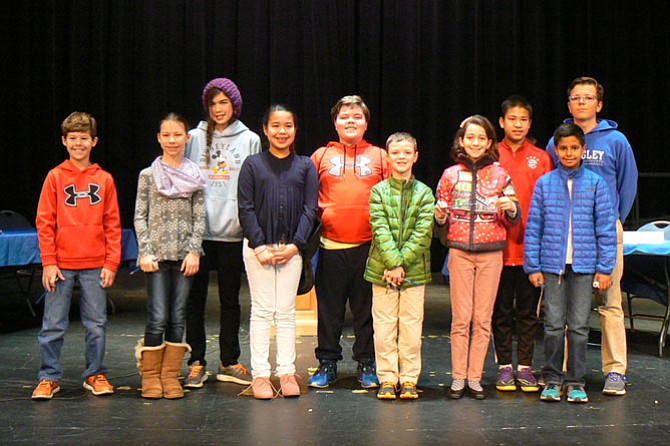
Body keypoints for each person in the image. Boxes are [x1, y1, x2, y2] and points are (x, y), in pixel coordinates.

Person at [546, 77, 638, 396]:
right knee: (571, 307)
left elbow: (627, 186)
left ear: (599, 104)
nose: (581, 102)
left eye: (588, 98)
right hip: (568, 233)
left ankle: (615, 370)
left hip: (604, 230)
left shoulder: (616, 141)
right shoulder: (558, 139)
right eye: (575, 97)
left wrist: (613, 221)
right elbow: (549, 179)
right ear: (568, 104)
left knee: (610, 302)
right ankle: (571, 372)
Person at [32, 111, 121, 399]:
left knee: (96, 323)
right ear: (64, 141)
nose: (78, 144)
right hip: (61, 265)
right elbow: (44, 221)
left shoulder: (104, 179)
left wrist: (111, 262)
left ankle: (95, 373)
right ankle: (49, 377)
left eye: (84, 138)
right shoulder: (55, 177)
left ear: (94, 141)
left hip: (95, 263)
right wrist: (48, 262)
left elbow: (113, 223)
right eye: (73, 138)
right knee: (53, 325)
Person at [525, 122, 617, 403]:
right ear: (555, 150)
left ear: (583, 149)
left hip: (584, 267)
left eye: (574, 148)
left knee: (578, 326)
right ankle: (552, 378)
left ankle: (576, 380)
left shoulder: (596, 184)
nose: (568, 153)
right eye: (563, 148)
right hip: (553, 266)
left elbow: (605, 229)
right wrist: (533, 266)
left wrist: (604, 268)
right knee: (552, 324)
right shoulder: (545, 183)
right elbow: (534, 227)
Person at [435, 115, 520, 400]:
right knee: (461, 319)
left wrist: (510, 208)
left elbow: (513, 217)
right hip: (459, 252)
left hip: (491, 254)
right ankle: (458, 377)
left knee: (483, 319)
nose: (475, 142)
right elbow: (440, 219)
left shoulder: (500, 174)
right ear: (461, 140)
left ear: (489, 142)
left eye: (481, 138)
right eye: (470, 137)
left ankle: (475, 378)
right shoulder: (450, 175)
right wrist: (440, 216)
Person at [183, 77, 261, 388]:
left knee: (230, 300)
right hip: (199, 234)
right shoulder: (192, 137)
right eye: (213, 103)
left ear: (234, 105)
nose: (218, 108)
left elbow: (253, 187)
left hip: (232, 231)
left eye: (223, 102)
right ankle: (196, 360)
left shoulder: (250, 139)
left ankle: (229, 360)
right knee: (195, 300)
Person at [307, 95, 390, 389]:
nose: (350, 121)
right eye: (344, 117)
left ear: (366, 123)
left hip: (369, 249)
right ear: (335, 122)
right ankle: (327, 364)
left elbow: (393, 199)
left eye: (357, 116)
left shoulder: (381, 156)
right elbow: (307, 201)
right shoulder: (320, 156)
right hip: (330, 248)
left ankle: (366, 363)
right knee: (329, 311)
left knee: (366, 311)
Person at [238, 104, 319, 399]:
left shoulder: (306, 166)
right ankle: (260, 374)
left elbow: (311, 209)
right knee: (261, 311)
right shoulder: (252, 165)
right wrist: (259, 245)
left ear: (295, 129)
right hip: (258, 250)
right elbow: (245, 208)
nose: (281, 131)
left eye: (287, 125)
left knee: (285, 313)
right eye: (276, 125)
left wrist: (296, 245)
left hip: (292, 249)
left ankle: (286, 371)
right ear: (265, 129)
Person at [133, 113, 206, 399]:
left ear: (187, 137)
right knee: (157, 317)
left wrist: (194, 251)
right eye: (167, 135)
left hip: (184, 257)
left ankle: (170, 376)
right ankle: (151, 377)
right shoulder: (148, 175)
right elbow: (140, 216)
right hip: (156, 257)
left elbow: (200, 217)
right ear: (159, 138)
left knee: (177, 317)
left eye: (178, 134)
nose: (172, 140)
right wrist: (145, 251)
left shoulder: (195, 175)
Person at [364, 132, 434, 400]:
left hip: (415, 273)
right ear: (388, 156)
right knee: (383, 327)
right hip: (382, 272)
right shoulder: (379, 191)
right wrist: (392, 263)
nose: (401, 157)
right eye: (396, 153)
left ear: (415, 156)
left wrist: (401, 263)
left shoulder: (425, 193)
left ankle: (408, 379)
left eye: (407, 152)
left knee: (411, 327)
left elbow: (423, 233)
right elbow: (379, 228)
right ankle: (387, 378)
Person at [492, 96, 553, 393]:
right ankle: (504, 367)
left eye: (524, 119)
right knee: (501, 311)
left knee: (529, 313)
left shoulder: (541, 158)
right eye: (512, 119)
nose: (518, 124)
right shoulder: (490, 153)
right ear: (501, 122)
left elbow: (549, 203)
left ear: (530, 123)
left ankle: (526, 367)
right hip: (497, 249)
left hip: (531, 249)